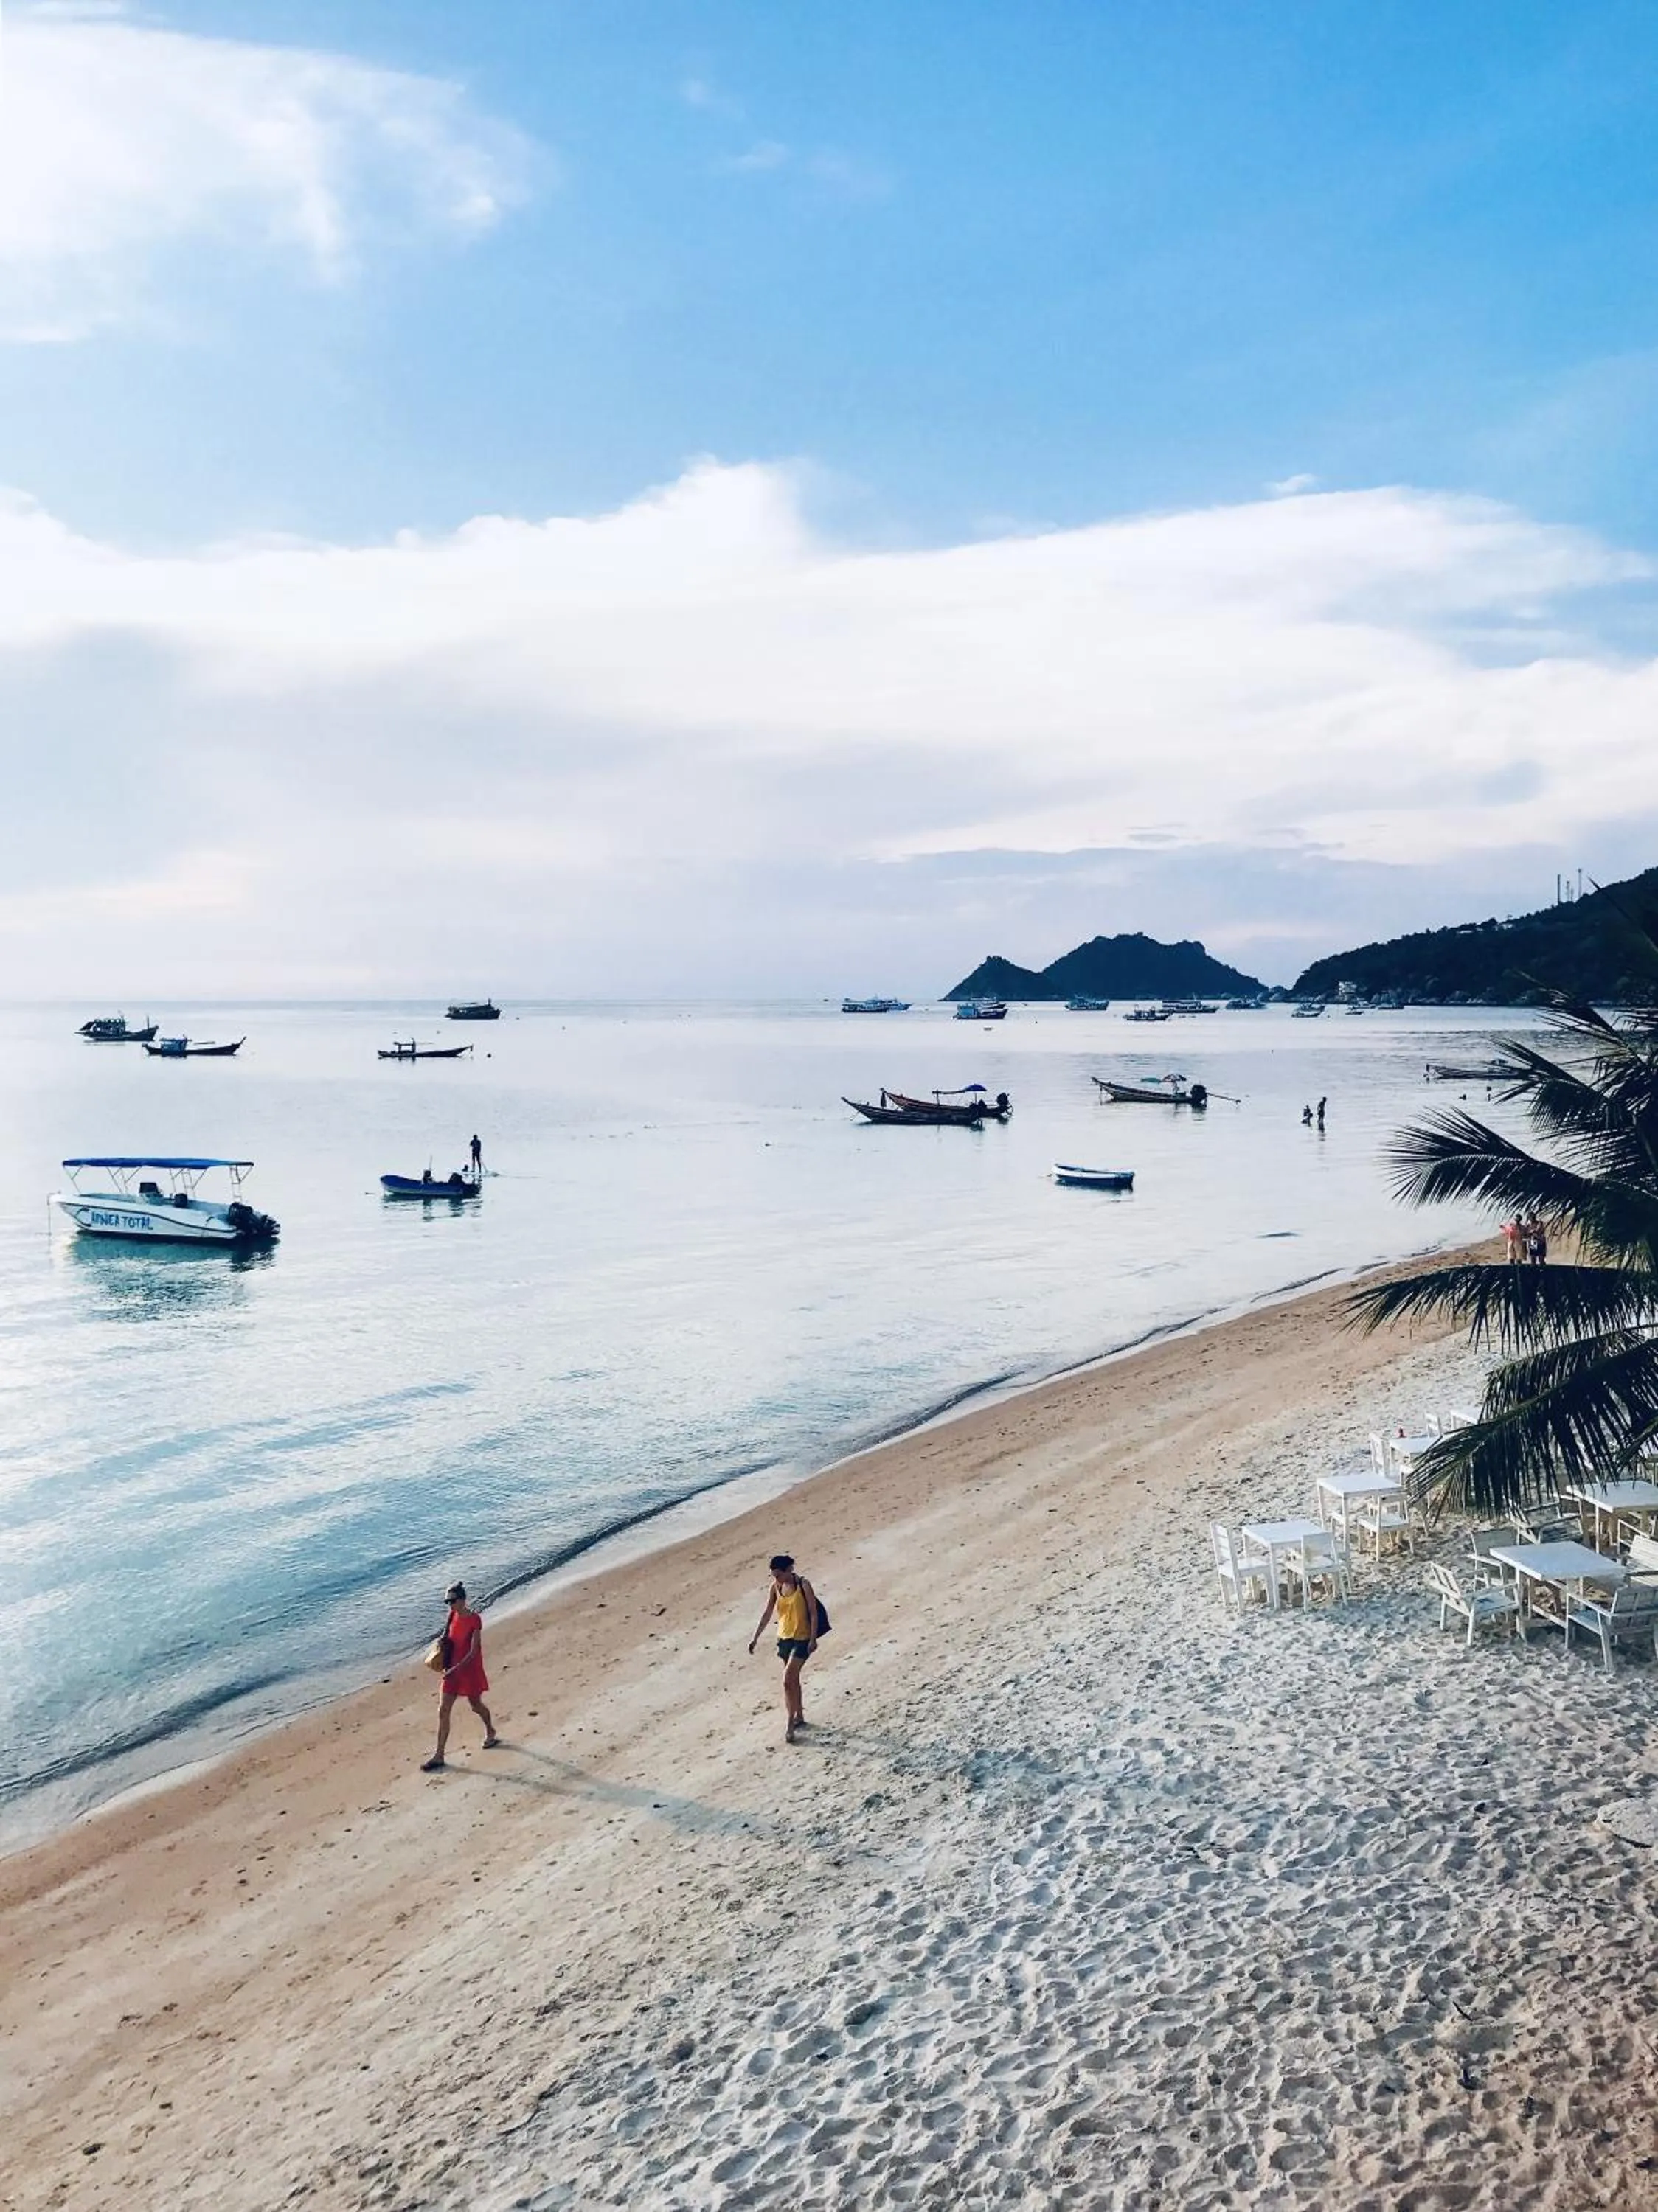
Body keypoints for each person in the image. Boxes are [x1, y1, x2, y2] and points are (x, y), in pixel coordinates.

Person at [422, 1582, 499, 1770]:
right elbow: (448, 1634)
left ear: (463, 1600)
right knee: (443, 1711)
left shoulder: (475, 1620)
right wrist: (441, 1641)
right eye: (447, 1602)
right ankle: (439, 1755)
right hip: (451, 1669)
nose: (450, 1605)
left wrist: (456, 1668)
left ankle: (490, 1730)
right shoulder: (452, 1615)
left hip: (468, 1669)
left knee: (475, 1705)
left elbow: (473, 1652)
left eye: (453, 1601)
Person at [748, 1554, 819, 1744]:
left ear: (789, 1570)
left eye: (778, 1575)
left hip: (802, 1639)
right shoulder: (776, 1587)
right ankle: (800, 1716)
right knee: (792, 1680)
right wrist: (755, 1637)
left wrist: (813, 1639)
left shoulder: (804, 1585)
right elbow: (767, 1613)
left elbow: (813, 1614)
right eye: (773, 1575)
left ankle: (790, 1724)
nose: (776, 1579)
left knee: (787, 1680)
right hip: (784, 1638)